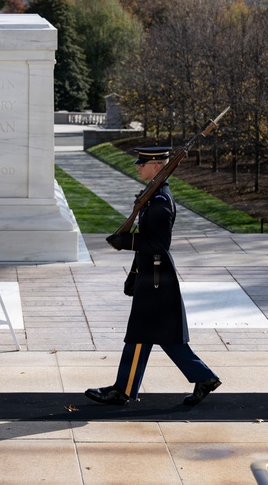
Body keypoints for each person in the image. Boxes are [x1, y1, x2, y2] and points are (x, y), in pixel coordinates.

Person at [86, 146, 221, 407]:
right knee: (160, 335)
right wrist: (135, 274)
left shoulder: (159, 202)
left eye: (142, 164)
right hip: (153, 274)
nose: (137, 166)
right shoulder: (153, 195)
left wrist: (126, 241)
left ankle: (122, 390)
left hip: (158, 279)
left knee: (141, 333)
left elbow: (158, 244)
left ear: (157, 167)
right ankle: (203, 378)